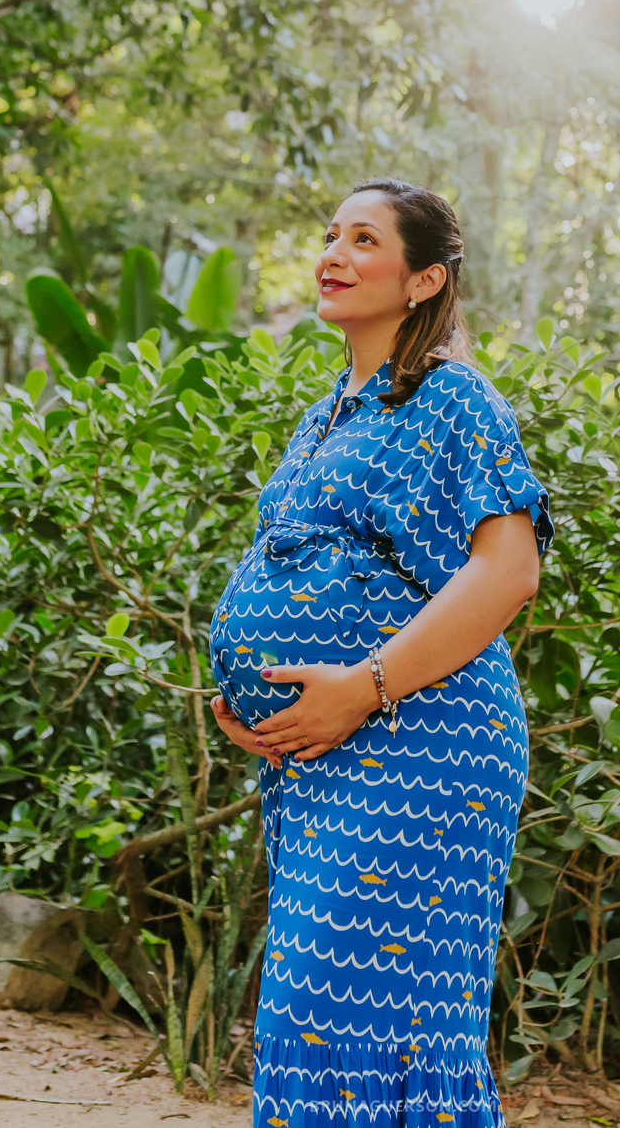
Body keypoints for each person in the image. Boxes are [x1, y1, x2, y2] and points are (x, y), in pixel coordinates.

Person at [209, 177, 553, 1128]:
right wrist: (271, 710)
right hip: (320, 758)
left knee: (354, 1009)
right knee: (305, 1019)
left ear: (423, 278)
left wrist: (357, 688)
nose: (334, 252)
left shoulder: (453, 396)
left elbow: (507, 571)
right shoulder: (331, 410)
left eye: (364, 239)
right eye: (329, 234)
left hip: (422, 747)